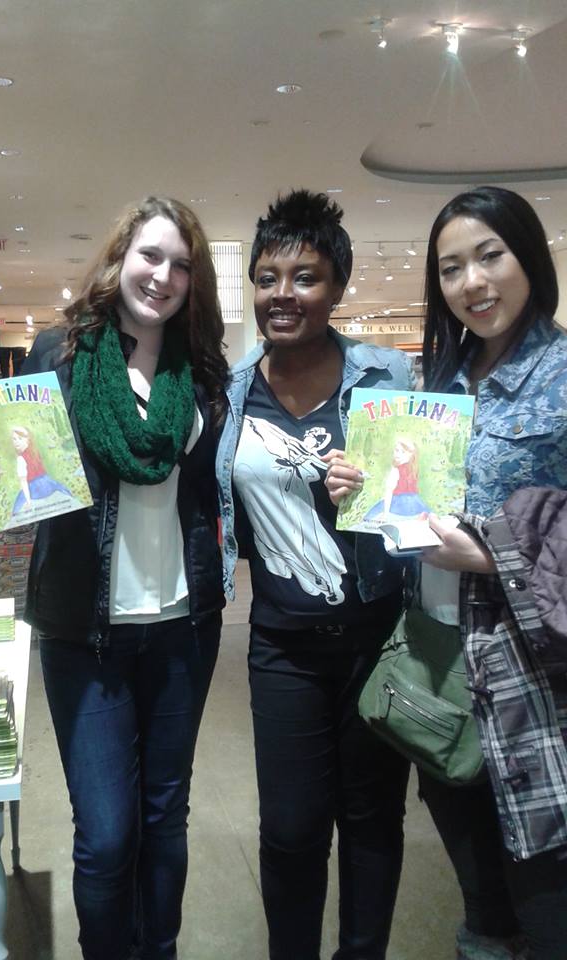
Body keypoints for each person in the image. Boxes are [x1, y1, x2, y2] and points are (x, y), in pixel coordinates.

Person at [0, 196, 228, 960]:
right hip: (84, 631)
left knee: (166, 820)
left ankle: (157, 949)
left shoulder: (199, 370)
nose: (163, 275)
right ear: (119, 258)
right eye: (150, 255)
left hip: (182, 630)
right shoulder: (60, 355)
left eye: (180, 264)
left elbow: (209, 489)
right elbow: (19, 471)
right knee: (106, 836)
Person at [328, 186, 567, 960]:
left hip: (531, 682)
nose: (473, 283)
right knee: (482, 905)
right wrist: (359, 486)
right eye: (452, 267)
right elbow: (416, 505)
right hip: (437, 664)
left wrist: (497, 555)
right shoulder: (439, 382)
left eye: (490, 256)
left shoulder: (561, 377)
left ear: (529, 256)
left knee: (548, 904)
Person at [216, 189, 414, 960]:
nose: (282, 295)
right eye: (267, 277)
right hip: (281, 646)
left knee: (370, 820)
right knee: (291, 827)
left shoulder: (387, 379)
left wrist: (383, 492)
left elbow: (431, 496)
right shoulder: (235, 391)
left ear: (337, 288)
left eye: (304, 277)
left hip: (376, 636)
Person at [10, 425, 73, 513]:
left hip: (35, 488)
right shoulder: (35, 452)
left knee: (16, 509)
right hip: (48, 483)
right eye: (14, 439)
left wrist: (28, 501)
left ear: (28, 440)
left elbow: (23, 482)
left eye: (20, 438)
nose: (16, 442)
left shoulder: (21, 459)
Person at [364, 436, 429, 521]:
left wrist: (385, 513)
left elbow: (389, 492)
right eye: (396, 450)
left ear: (411, 455)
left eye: (403, 452)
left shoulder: (396, 471)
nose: (398, 454)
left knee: (371, 517)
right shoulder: (413, 469)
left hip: (400, 503)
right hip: (415, 503)